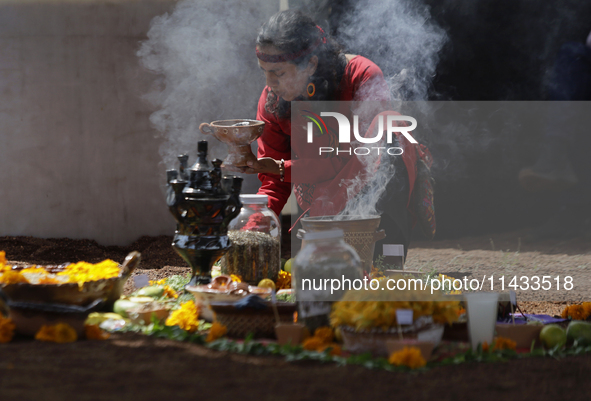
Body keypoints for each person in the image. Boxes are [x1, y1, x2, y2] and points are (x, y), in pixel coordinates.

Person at [240, 10, 433, 260]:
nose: (269, 83)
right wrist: (252, 229)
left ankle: (391, 261)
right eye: (264, 71)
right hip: (318, 191)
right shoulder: (272, 100)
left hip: (371, 176)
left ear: (311, 64)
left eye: (278, 73)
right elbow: (274, 181)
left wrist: (282, 169)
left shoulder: (362, 76)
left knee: (389, 153)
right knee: (320, 276)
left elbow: (357, 160)